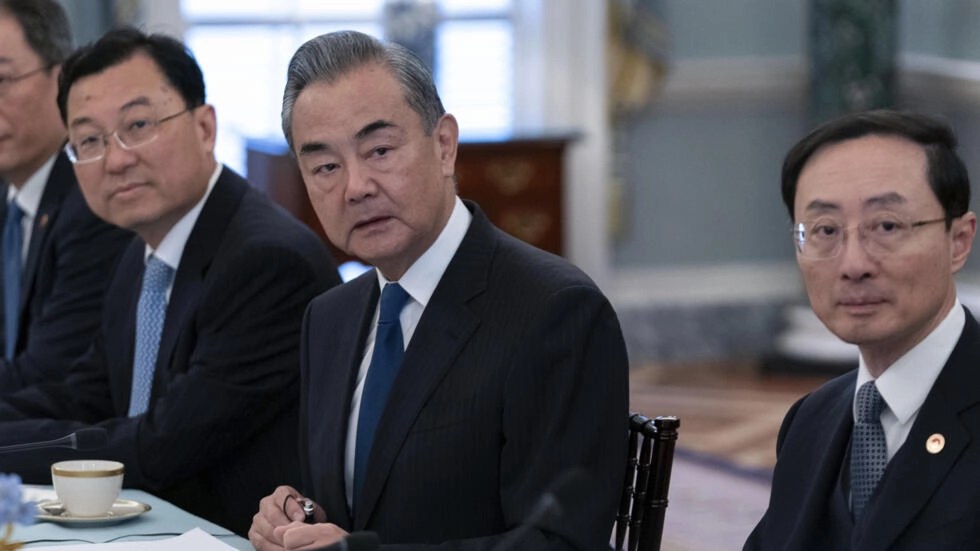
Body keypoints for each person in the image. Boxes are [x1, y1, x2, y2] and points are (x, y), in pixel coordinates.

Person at [249, 30, 629, 551]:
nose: (356, 187)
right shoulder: (328, 318)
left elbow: (561, 543)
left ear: (444, 145)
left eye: (380, 150)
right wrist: (296, 514)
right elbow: (361, 506)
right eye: (326, 167)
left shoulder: (555, 312)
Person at [0, 28, 341, 535]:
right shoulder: (141, 254)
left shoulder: (266, 262)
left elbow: (159, 445)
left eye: (138, 125)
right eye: (89, 141)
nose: (116, 159)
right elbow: (82, 395)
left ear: (205, 127)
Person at [744, 110, 980, 550]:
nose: (853, 265)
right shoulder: (811, 420)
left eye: (887, 226)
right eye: (825, 230)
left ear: (959, 241)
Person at [0, 0, 130, 392]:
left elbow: (48, 376)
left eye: (2, 80)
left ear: (61, 82)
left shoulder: (94, 201)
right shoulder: (10, 194)